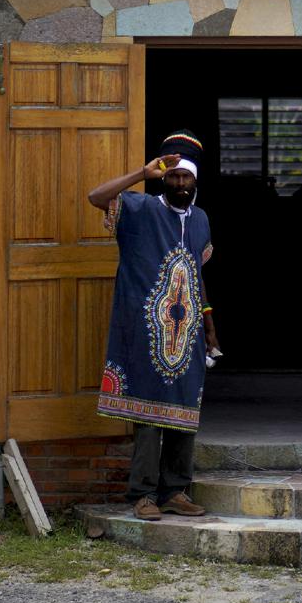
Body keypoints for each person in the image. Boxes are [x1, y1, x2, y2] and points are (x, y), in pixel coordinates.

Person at [88, 131, 215, 520]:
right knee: (147, 414)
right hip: (145, 330)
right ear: (163, 178)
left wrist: (209, 324)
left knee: (184, 411)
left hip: (187, 332)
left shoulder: (201, 219)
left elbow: (195, 272)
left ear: (195, 181)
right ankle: (142, 495)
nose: (179, 184)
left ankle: (175, 490)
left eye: (185, 178)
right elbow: (96, 197)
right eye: (173, 177)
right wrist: (140, 174)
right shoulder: (139, 208)